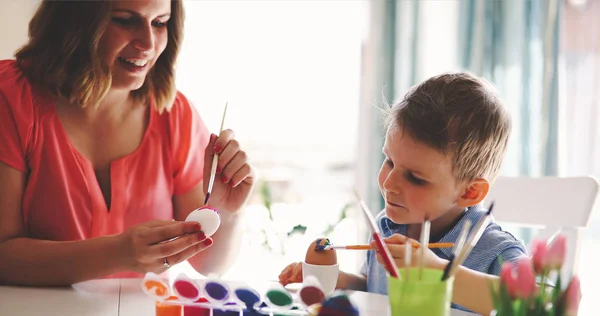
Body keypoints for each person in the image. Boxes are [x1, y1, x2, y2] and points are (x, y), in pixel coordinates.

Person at [0, 0, 255, 286]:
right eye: (124, 20)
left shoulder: (175, 115)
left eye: (159, 23)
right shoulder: (10, 98)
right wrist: (118, 254)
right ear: (73, 21)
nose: (148, 43)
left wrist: (228, 213)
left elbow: (208, 264)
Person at [278, 72, 528, 315]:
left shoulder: (495, 250)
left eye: (415, 177)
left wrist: (436, 269)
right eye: (389, 161)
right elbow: (373, 289)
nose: (389, 183)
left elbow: (535, 302)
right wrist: (335, 280)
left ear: (470, 192)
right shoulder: (387, 226)